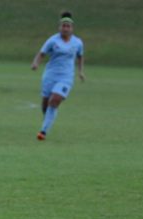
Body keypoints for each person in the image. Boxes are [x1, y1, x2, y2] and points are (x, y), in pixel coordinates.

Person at [31, 11, 85, 141]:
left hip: (66, 77)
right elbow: (42, 53)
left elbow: (80, 56)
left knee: (54, 100)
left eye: (68, 26)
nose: (65, 28)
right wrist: (36, 63)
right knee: (45, 104)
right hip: (50, 75)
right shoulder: (52, 40)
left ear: (72, 28)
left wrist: (81, 71)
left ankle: (43, 131)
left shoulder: (77, 42)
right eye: (63, 26)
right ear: (59, 27)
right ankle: (48, 119)